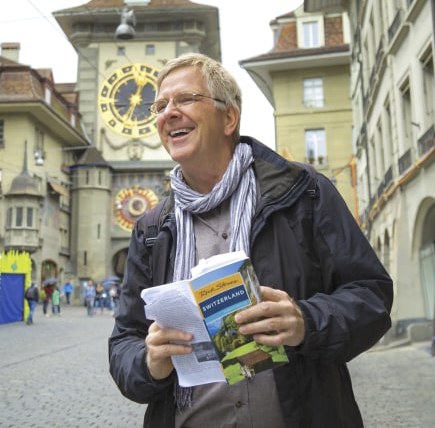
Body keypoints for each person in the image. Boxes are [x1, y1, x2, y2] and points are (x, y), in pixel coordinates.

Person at [108, 53, 393, 427]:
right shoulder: (151, 229)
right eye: (161, 106)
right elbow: (125, 341)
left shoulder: (303, 194)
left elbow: (372, 297)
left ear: (229, 118)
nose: (168, 113)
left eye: (186, 99)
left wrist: (306, 321)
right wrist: (148, 362)